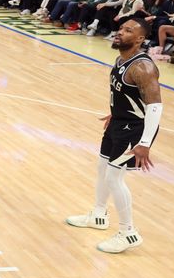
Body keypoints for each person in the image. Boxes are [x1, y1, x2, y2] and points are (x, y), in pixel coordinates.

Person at [66, 18, 162, 253]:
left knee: (114, 178)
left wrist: (144, 143)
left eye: (128, 30)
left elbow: (155, 106)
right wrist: (114, 113)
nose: (120, 32)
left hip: (135, 130)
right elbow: (127, 95)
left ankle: (128, 233)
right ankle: (98, 215)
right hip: (119, 122)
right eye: (121, 28)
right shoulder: (121, 59)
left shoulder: (143, 67)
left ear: (140, 39)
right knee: (102, 167)